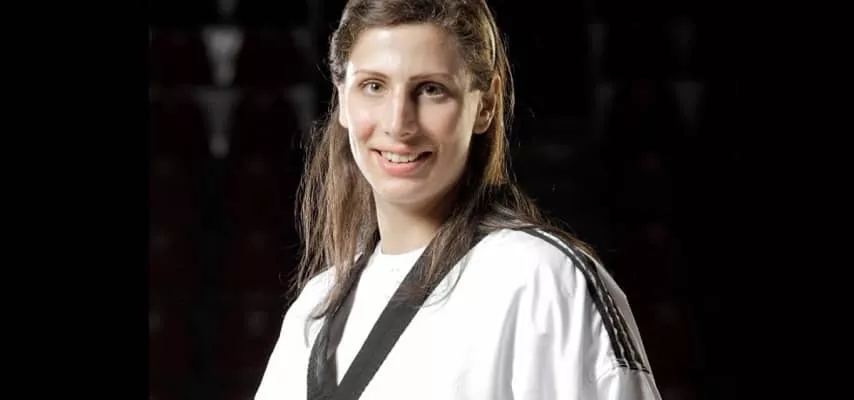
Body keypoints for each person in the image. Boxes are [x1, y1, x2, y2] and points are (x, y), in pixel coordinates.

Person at [255, 0, 662, 399]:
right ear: (342, 99)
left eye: (431, 90)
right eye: (373, 86)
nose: (398, 124)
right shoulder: (313, 312)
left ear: (485, 105)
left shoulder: (541, 279)